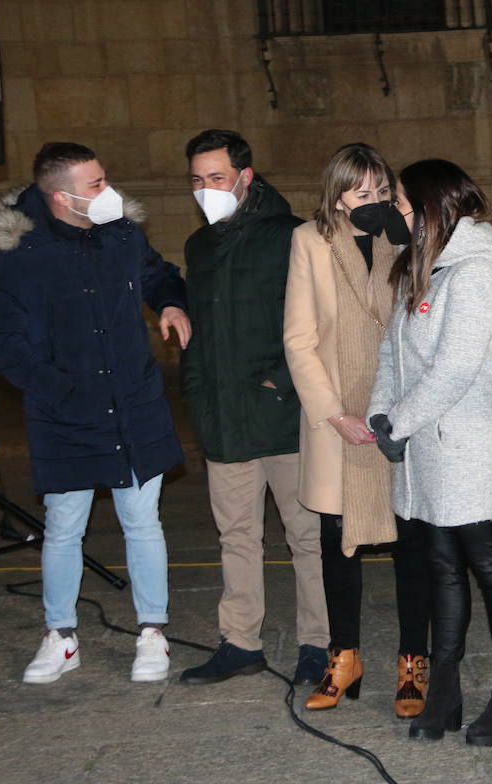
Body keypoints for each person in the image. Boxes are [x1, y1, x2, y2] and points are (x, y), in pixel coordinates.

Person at [0, 141, 190, 684]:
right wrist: (56, 389)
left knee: (143, 521)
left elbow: (159, 272)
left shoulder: (122, 232)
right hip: (65, 412)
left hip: (133, 402)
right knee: (64, 527)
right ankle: (61, 636)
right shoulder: (18, 252)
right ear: (61, 197)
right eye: (95, 184)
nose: (108, 190)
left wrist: (170, 301)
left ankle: (153, 633)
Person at [366, 158, 492, 746]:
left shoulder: (476, 273)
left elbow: (456, 368)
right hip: (422, 442)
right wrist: (380, 415)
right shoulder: (421, 271)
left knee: (486, 561)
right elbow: (393, 354)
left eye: (406, 206)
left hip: (463, 439)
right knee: (440, 565)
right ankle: (447, 688)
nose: (398, 215)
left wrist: (399, 423)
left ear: (434, 208)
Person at [283, 143, 432, 717]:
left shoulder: (406, 237)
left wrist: (406, 239)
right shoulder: (308, 241)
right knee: (337, 545)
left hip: (399, 413)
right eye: (358, 192)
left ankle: (412, 662)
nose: (369, 201)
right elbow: (297, 338)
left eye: (379, 190)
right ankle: (343, 658)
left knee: (409, 543)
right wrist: (332, 413)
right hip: (337, 417)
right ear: (336, 194)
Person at [176, 129, 329, 688]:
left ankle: (318, 642)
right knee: (236, 535)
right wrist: (197, 392)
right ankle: (240, 642)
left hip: (283, 415)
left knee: (306, 536)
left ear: (245, 176)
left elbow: (317, 325)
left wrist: (278, 387)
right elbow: (199, 332)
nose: (205, 189)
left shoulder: (293, 236)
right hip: (223, 417)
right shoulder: (201, 246)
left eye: (215, 178)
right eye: (196, 180)